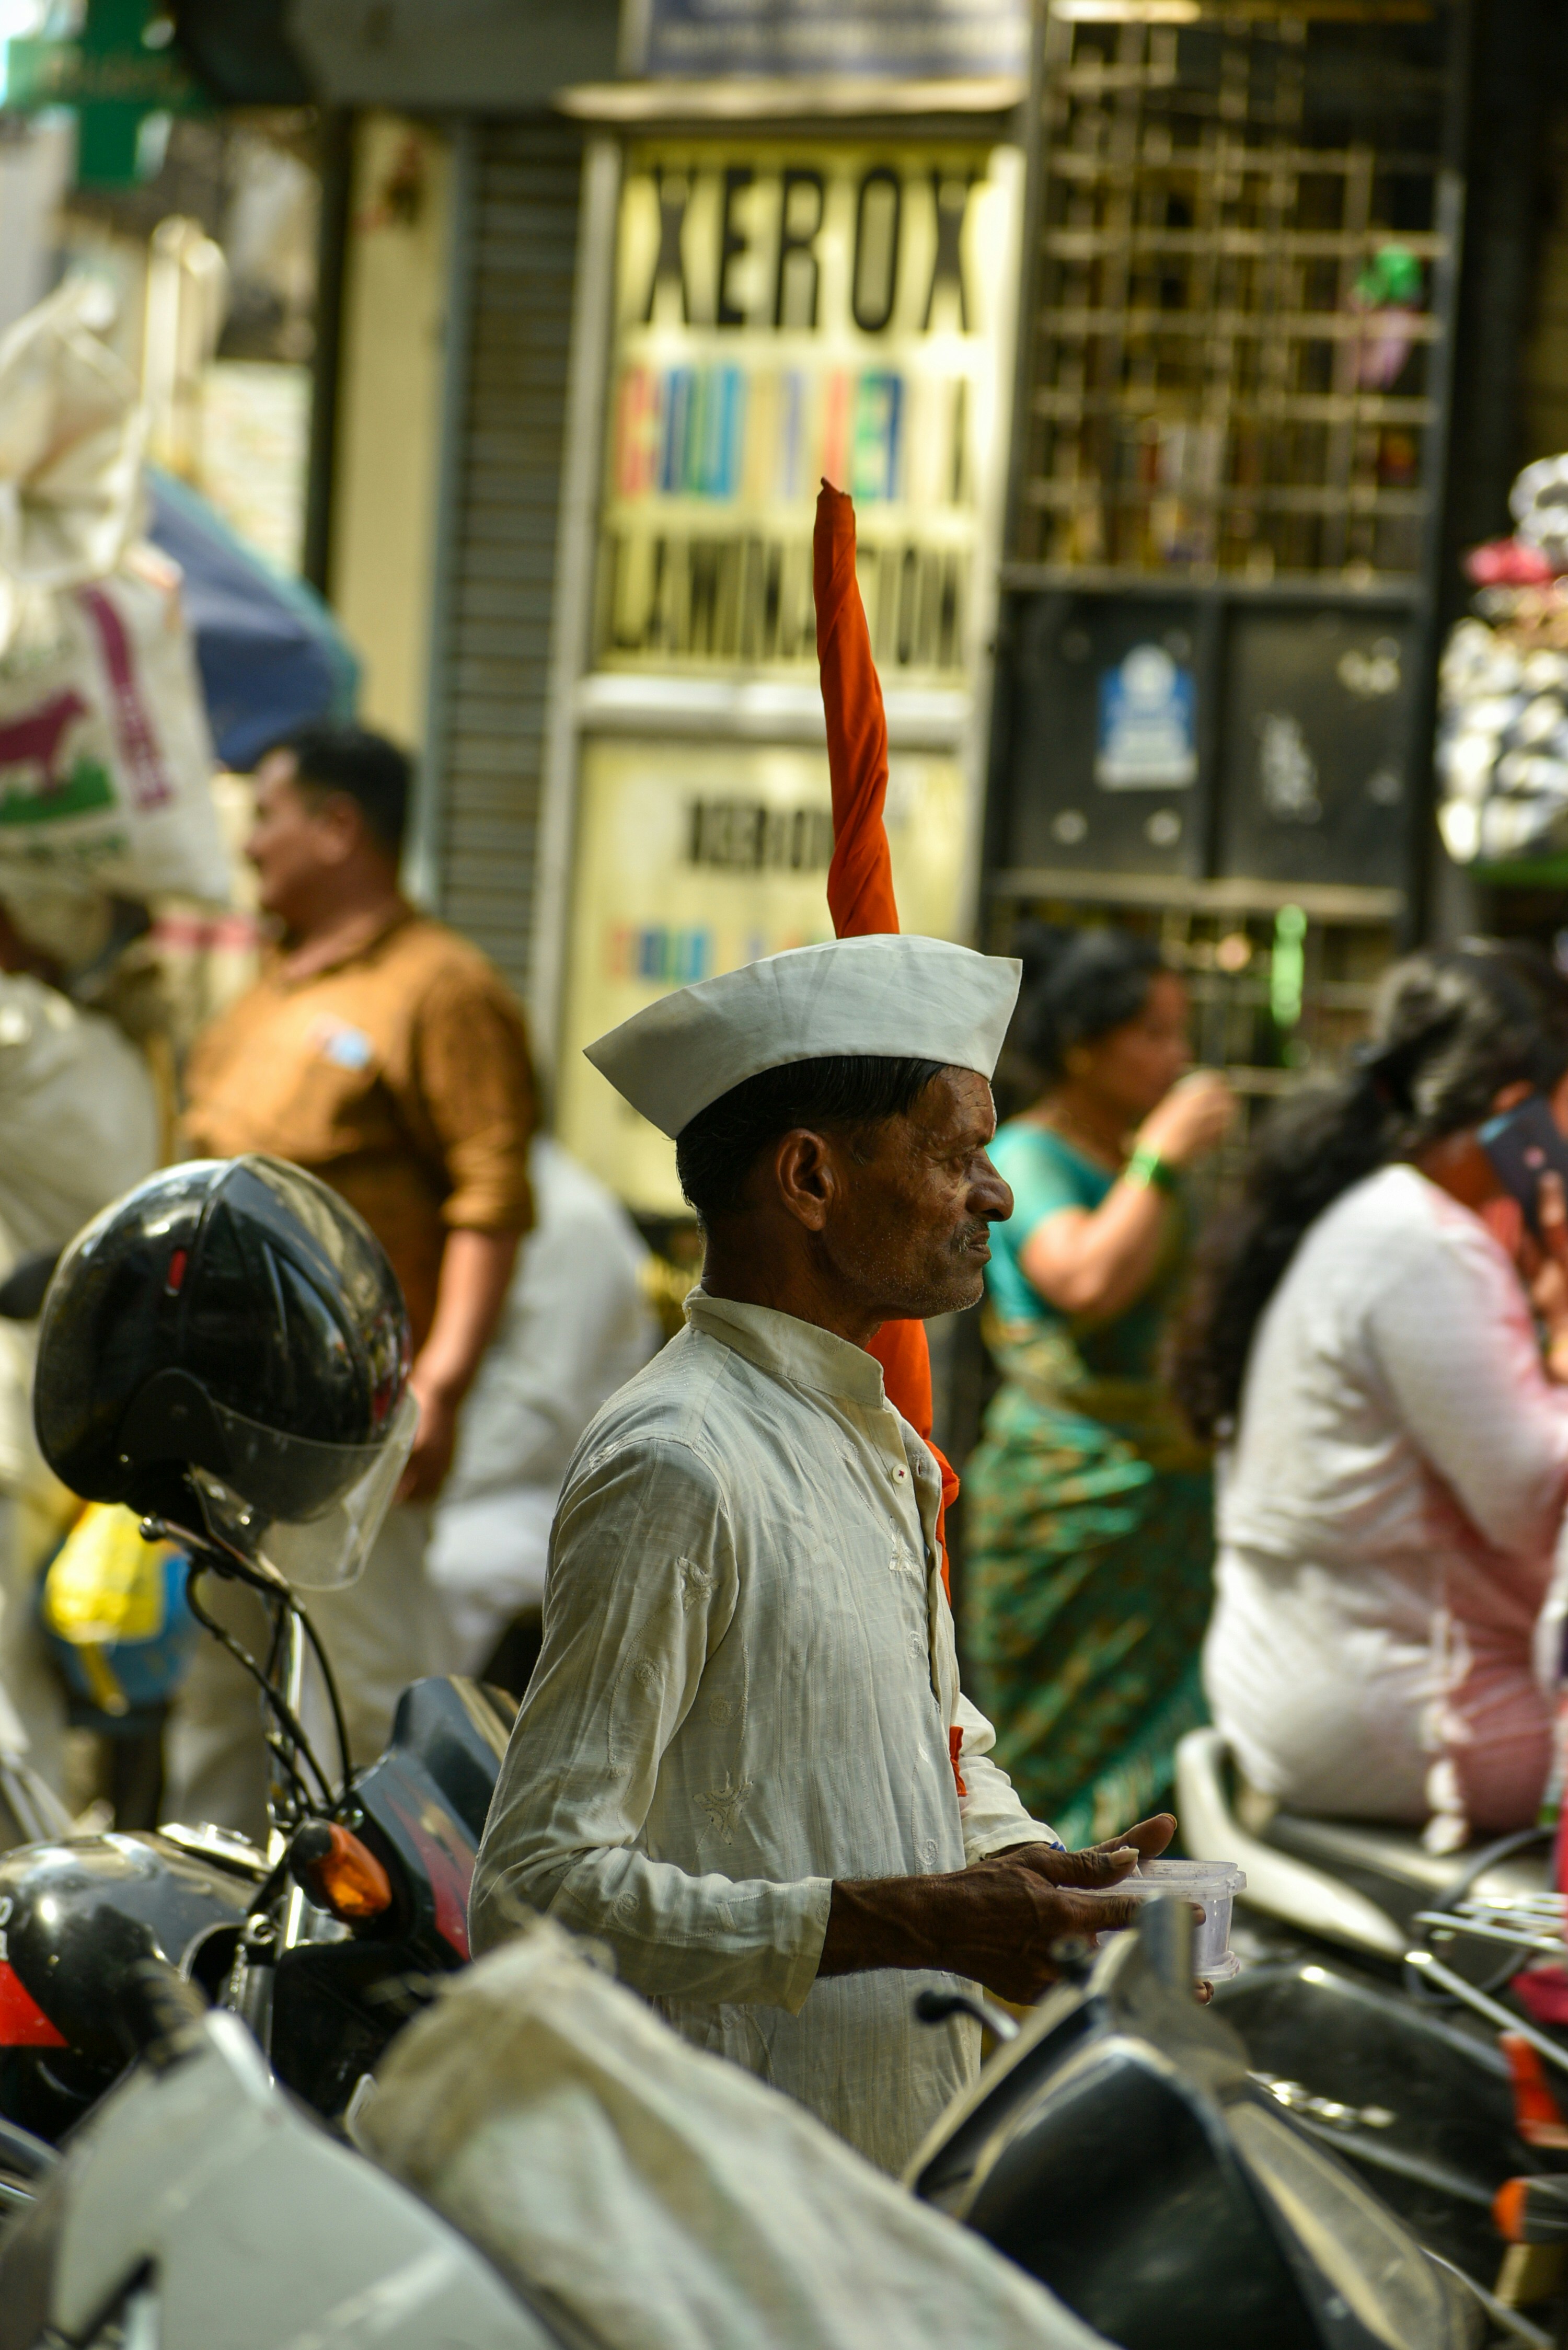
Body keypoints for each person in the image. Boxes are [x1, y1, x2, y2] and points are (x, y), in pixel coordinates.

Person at [471, 931, 1186, 2179]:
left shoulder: (871, 1440)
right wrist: (883, 1919)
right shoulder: (679, 1458)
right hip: (734, 2185)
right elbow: (533, 1886)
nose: (996, 1193)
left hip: (873, 2156)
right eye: (953, 1154)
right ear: (809, 1175)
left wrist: (1017, 1864)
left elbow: (925, 1731)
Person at [171, 722, 535, 1834]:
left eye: (268, 816)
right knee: (223, 1710)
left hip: (353, 1425)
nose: (250, 848)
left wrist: (444, 1383)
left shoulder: (441, 989)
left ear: (340, 827)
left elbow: (490, 1200)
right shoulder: (261, 996)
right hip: (223, 1423)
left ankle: (382, 1971)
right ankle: (207, 1961)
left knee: (362, 1694)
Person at [1171, 944, 1568, 1850]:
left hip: (1325, 1690)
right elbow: (1535, 1504)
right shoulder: (1424, 1246)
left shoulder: (1385, 1220)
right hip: (1391, 1717)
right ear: (1520, 1115)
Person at [961, 925, 1233, 1847]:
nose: (1177, 1057)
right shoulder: (1035, 1154)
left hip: (1165, 1503)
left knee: (1162, 1754)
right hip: (1066, 1504)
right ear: (1084, 1045)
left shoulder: (1127, 1153)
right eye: (1153, 1034)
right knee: (1051, 1759)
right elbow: (1082, 1281)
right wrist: (1160, 1157)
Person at [426, 1132, 659, 1681]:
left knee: (437, 1571)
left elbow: (535, 1416)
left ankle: (413, 1750)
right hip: (485, 1478)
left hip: (554, 1498)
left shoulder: (572, 1222)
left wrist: (409, 1492)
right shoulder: (453, 1196)